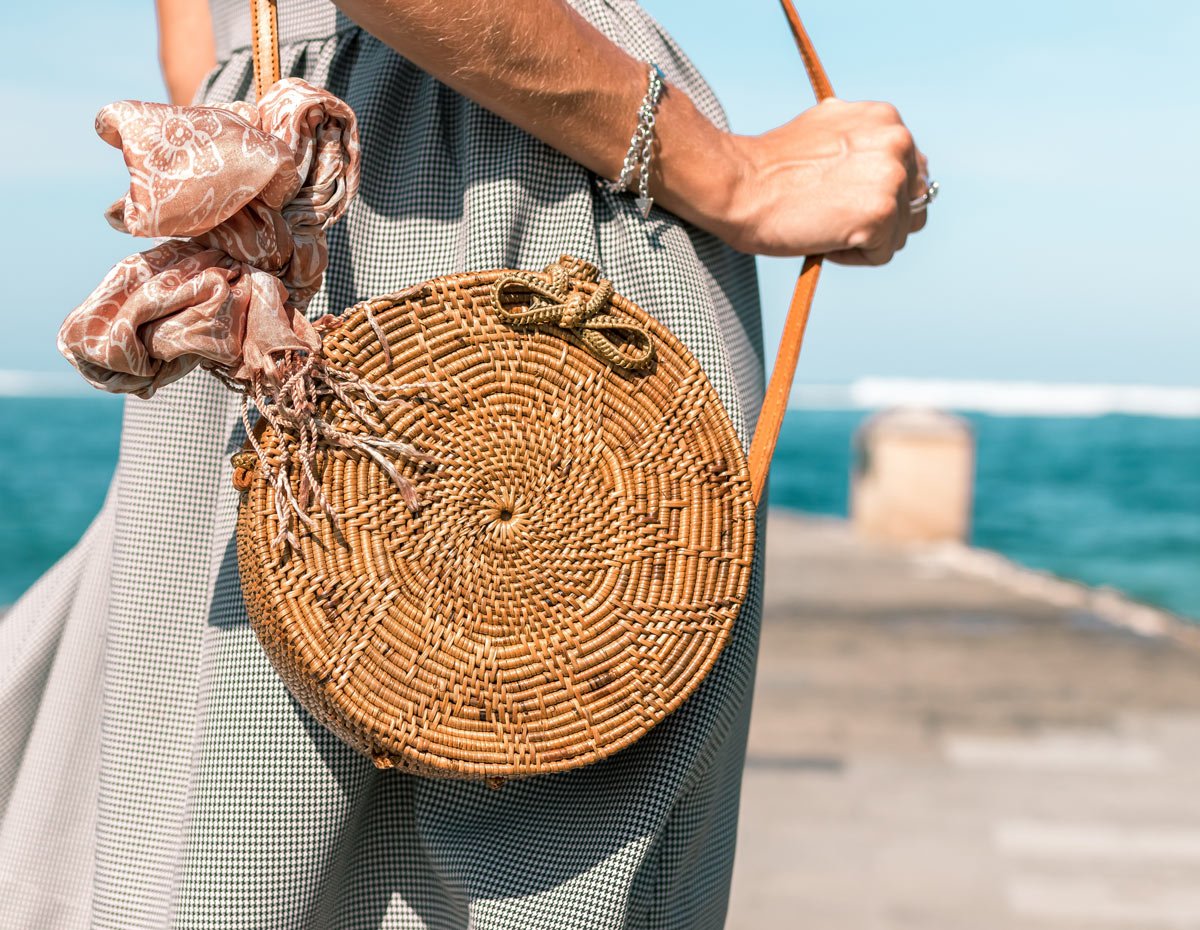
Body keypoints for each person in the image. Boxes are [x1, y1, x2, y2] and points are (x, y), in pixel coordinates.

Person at [0, 0, 929, 926]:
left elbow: (196, 42)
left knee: (228, 855)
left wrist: (259, 164)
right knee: (551, 881)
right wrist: (730, 173)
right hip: (527, 165)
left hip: (301, 200)